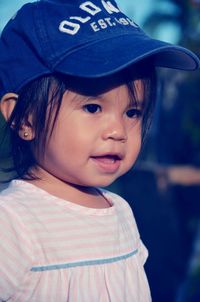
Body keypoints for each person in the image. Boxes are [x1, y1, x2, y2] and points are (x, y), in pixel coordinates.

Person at [0, 0, 199, 301]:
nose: (118, 131)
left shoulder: (120, 211)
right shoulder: (13, 222)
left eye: (133, 112)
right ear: (24, 118)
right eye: (93, 107)